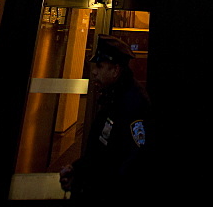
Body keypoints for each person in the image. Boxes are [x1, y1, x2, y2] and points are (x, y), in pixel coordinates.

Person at [60, 35, 151, 205]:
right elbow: (100, 150)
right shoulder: (113, 97)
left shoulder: (132, 103)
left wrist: (93, 188)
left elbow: (131, 162)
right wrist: (77, 169)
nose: (94, 71)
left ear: (115, 70)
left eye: (100, 66)